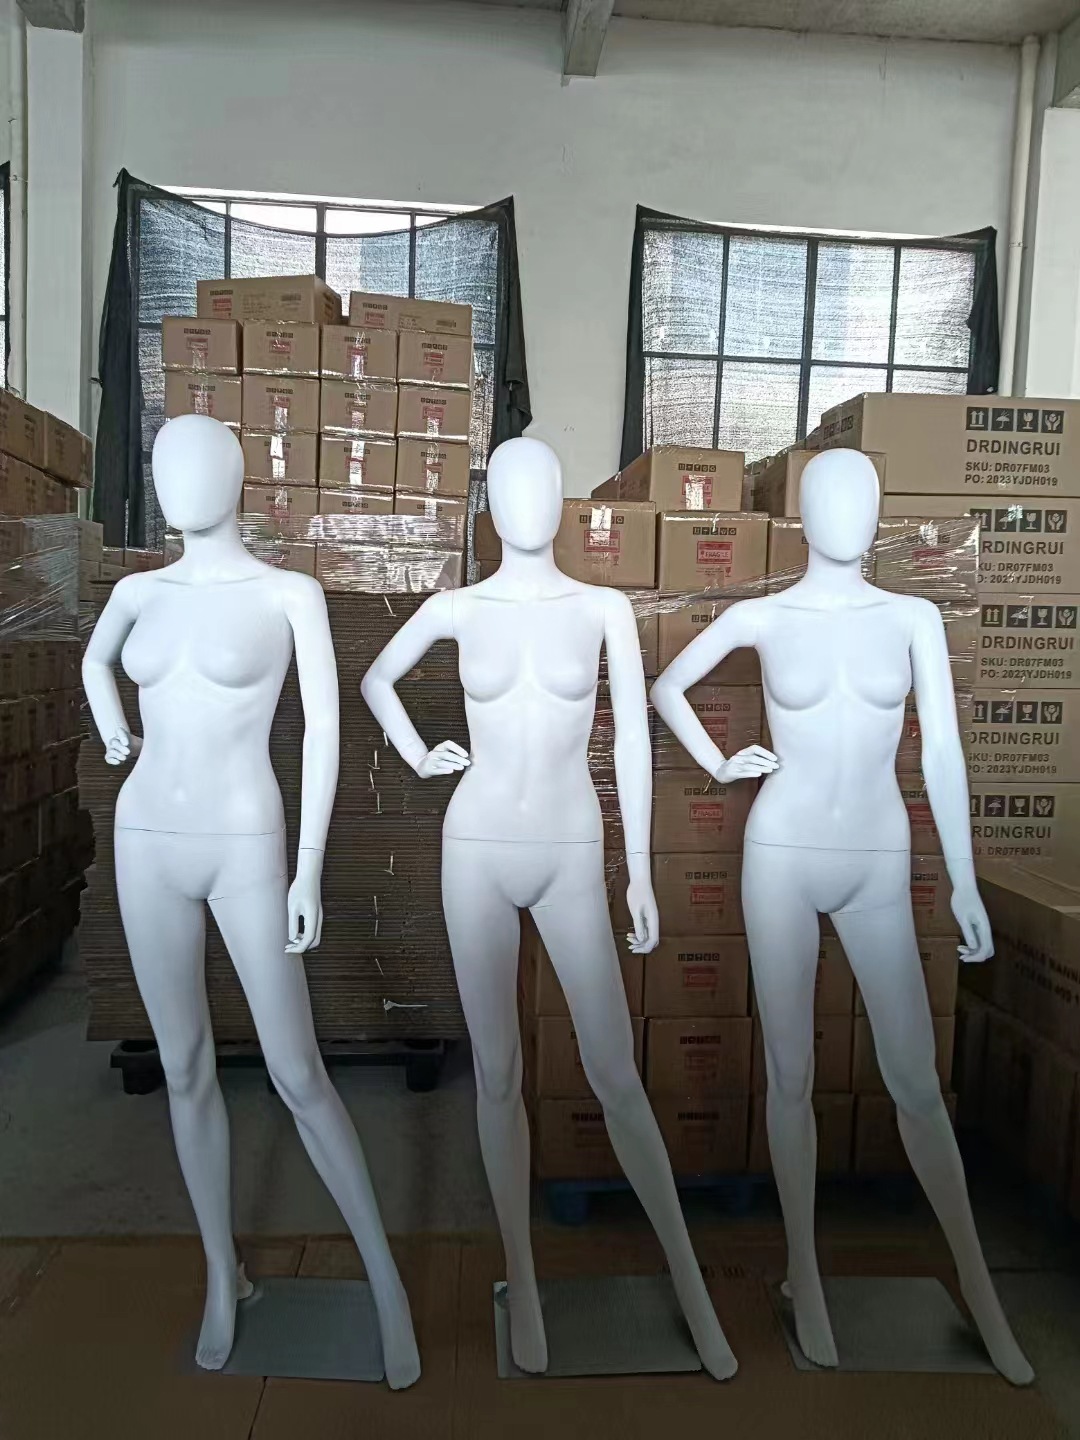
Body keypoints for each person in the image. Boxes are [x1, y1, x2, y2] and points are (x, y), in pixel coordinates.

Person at [650, 448, 1032, 1385]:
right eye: (831, 497)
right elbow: (666, 686)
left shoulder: (912, 618)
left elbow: (941, 752)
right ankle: (805, 1274)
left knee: (914, 1079)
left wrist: (963, 879)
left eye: (863, 498)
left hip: (877, 856)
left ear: (878, 512)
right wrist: (719, 761)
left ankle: (980, 1286)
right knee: (792, 1073)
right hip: (780, 853)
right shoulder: (763, 616)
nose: (848, 513)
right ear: (804, 514)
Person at [360, 436, 736, 1378]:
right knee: (497, 1074)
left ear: (562, 504)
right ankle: (522, 1283)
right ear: (490, 505)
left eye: (543, 489)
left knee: (614, 1071)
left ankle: (689, 1283)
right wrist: (417, 754)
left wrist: (638, 871)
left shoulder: (602, 609)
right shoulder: (456, 608)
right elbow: (374, 679)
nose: (527, 504)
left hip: (571, 848)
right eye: (510, 489)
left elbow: (636, 740)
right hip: (477, 846)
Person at [82, 414, 419, 1385]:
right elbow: (94, 661)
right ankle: (221, 1276)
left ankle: (386, 1287)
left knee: (297, 1070)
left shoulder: (287, 594)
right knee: (184, 1066)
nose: (178, 482)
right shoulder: (137, 593)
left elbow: (323, 732)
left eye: (198, 464)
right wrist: (111, 726)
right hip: (146, 836)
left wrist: (307, 868)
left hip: (243, 839)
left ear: (237, 477)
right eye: (163, 465)